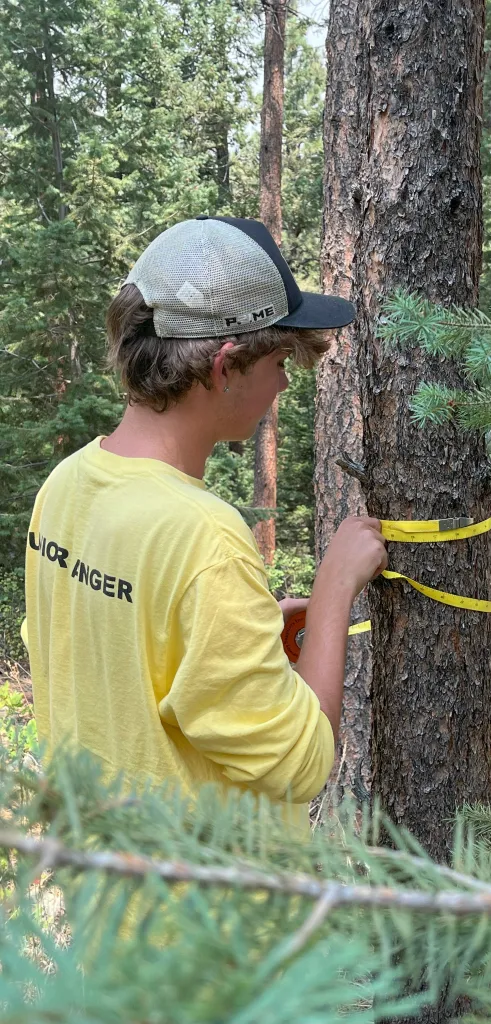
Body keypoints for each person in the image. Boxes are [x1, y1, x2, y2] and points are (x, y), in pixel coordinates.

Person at [23, 215, 387, 830]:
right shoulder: (206, 538)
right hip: (210, 916)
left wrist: (233, 638)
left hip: (103, 893)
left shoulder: (65, 486)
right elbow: (303, 761)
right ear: (224, 367)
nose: (281, 384)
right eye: (279, 362)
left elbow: (102, 653)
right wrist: (333, 596)